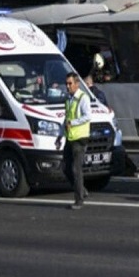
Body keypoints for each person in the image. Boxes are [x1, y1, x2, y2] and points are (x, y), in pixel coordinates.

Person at [55, 72, 92, 210]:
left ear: (77, 84)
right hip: (70, 137)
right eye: (66, 83)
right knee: (65, 167)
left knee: (76, 170)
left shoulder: (83, 98)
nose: (67, 86)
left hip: (80, 138)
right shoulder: (68, 99)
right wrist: (60, 136)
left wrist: (73, 123)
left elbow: (87, 116)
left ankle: (79, 200)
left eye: (70, 83)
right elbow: (66, 119)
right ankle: (81, 189)